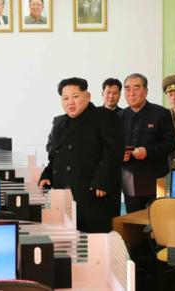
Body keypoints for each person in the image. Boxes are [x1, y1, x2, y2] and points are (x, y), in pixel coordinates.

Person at [39, 77, 124, 233]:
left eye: (75, 96)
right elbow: (56, 156)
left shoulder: (105, 116)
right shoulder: (60, 123)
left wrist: (103, 180)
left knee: (94, 242)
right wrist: (47, 174)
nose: (70, 102)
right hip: (64, 192)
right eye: (65, 98)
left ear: (88, 96)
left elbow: (114, 152)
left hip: (94, 191)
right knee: (68, 239)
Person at [118, 73, 175, 213]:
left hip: (156, 179)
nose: (131, 93)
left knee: (157, 220)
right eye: (127, 89)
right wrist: (119, 155)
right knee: (133, 221)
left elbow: (172, 143)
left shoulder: (161, 113)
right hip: (129, 179)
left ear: (146, 91)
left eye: (136, 88)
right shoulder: (119, 117)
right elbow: (113, 147)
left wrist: (148, 151)